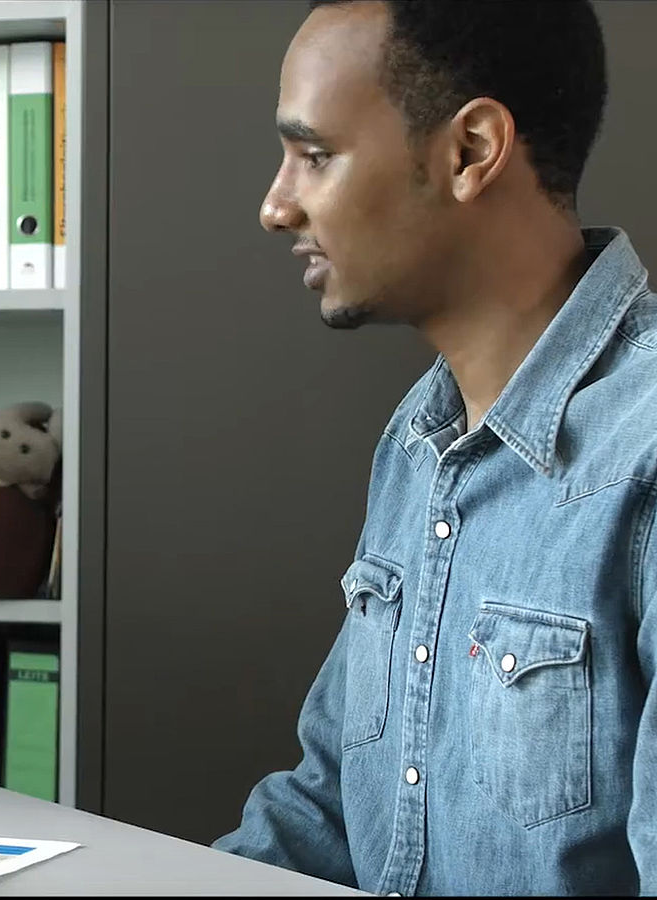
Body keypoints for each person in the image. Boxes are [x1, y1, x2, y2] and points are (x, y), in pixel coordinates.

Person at [212, 1, 657, 894]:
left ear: (470, 151)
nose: (274, 205)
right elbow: (329, 809)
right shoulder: (421, 441)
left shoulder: (643, 460)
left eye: (316, 155)